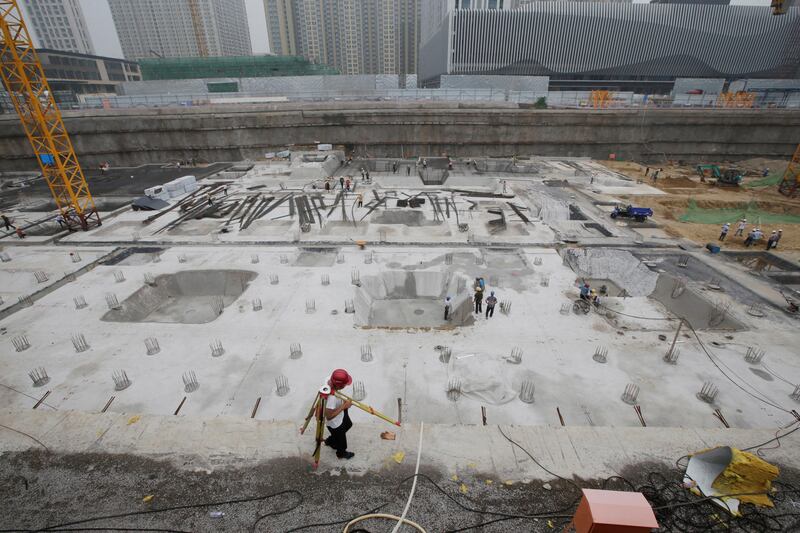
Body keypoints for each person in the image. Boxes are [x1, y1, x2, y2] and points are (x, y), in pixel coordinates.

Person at [324, 369, 355, 460]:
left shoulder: (329, 379)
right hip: (335, 423)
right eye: (345, 385)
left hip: (340, 414)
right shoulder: (332, 399)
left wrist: (344, 404)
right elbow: (329, 417)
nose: (346, 385)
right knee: (342, 442)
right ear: (340, 386)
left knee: (348, 424)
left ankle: (330, 441)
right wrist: (344, 406)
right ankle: (341, 453)